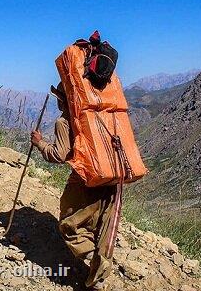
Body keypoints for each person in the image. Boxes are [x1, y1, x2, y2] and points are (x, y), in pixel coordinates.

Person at [30, 83, 116, 291]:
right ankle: (100, 273)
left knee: (69, 225)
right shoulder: (100, 115)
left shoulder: (64, 121)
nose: (58, 101)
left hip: (84, 181)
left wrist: (40, 143)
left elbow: (58, 155)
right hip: (111, 180)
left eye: (60, 97)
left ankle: (91, 265)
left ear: (65, 99)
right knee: (101, 227)